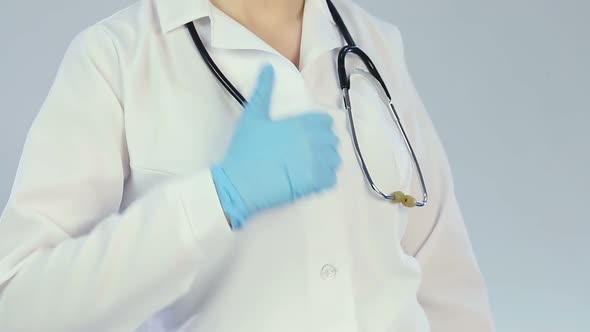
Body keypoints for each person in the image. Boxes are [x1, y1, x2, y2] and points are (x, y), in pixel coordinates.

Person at [0, 0, 495, 331]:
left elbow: (447, 282)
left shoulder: (374, 45)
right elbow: (19, 306)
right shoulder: (116, 57)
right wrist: (218, 197)